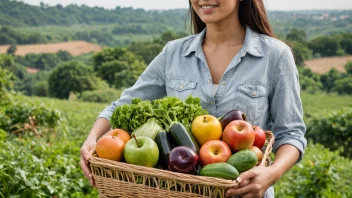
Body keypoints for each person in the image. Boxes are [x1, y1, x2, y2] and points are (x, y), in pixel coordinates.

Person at [80, 0, 307, 197]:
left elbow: (291, 133)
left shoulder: (275, 56)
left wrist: (272, 173)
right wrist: (92, 139)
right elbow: (121, 106)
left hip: (244, 192)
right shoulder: (173, 54)